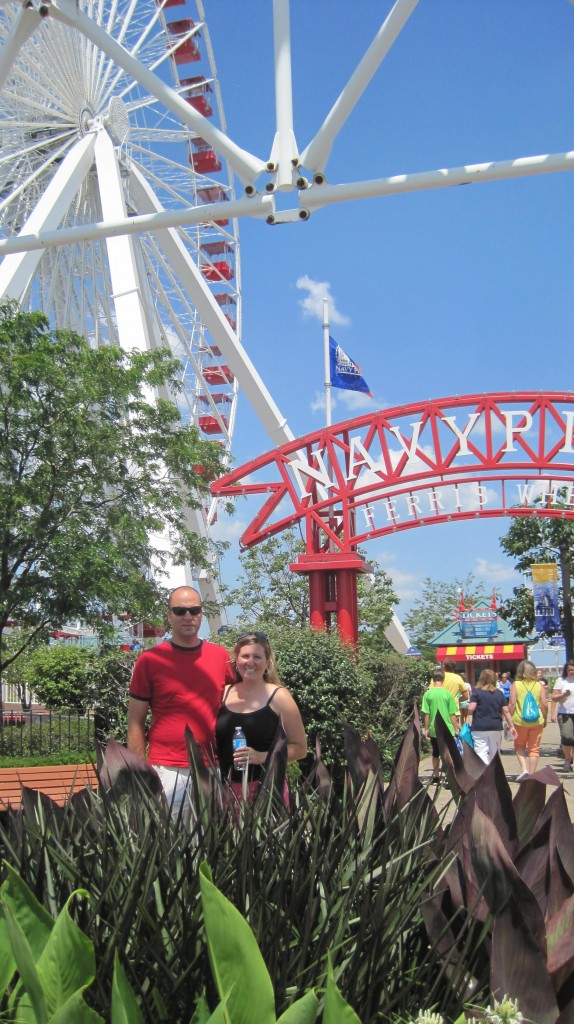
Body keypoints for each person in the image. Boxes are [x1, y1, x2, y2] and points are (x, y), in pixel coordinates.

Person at [127, 586, 235, 820]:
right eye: (180, 611)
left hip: (213, 768)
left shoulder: (221, 657)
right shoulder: (150, 661)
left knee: (212, 846)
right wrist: (141, 773)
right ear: (169, 615)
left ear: (202, 614)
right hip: (168, 771)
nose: (188, 616)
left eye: (194, 610)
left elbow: (239, 708)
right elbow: (135, 722)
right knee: (171, 846)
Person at [215, 632, 307, 802]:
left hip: (267, 790)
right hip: (225, 792)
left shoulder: (280, 697)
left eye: (257, 657)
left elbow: (300, 749)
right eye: (245, 656)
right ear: (236, 660)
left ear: (267, 662)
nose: (250, 662)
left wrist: (262, 756)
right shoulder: (223, 693)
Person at [509, 658, 548, 781]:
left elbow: (512, 704)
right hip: (537, 721)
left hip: (520, 721)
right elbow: (544, 704)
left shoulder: (516, 685)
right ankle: (532, 774)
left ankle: (524, 769)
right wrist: (545, 718)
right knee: (534, 748)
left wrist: (508, 720)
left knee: (519, 745)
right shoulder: (539, 685)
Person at [468, 668, 517, 765]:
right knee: (494, 753)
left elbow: (471, 708)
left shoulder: (477, 692)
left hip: (479, 726)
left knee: (481, 752)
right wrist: (511, 726)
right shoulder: (499, 693)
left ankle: (484, 774)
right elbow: (506, 711)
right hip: (495, 726)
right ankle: (494, 773)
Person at [421, 668, 460, 785]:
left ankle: (436, 776)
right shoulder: (448, 694)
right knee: (447, 753)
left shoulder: (428, 694)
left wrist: (426, 728)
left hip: (434, 728)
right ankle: (448, 776)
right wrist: (456, 727)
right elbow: (452, 714)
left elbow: (426, 713)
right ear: (443, 679)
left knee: (435, 753)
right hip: (447, 728)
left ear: (433, 679)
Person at [550, 661, 574, 771]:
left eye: (573, 670)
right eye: (569, 670)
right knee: (567, 737)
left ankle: (572, 761)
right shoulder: (561, 681)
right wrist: (564, 695)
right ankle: (567, 758)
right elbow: (553, 698)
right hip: (565, 713)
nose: (571, 672)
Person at [442, 659, 471, 725]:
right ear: (454, 667)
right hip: (454, 708)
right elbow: (466, 696)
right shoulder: (457, 678)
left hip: (440, 708)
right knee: (453, 730)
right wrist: (457, 700)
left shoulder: (438, 677)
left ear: (444, 666)